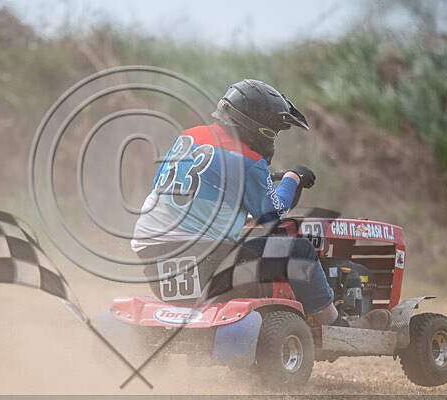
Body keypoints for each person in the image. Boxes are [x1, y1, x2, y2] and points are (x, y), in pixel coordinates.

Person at [131, 79, 390, 330]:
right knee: (299, 251)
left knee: (243, 243)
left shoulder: (187, 137)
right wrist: (293, 177)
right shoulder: (248, 160)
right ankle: (337, 324)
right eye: (274, 133)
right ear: (258, 129)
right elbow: (272, 215)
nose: (273, 139)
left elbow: (171, 186)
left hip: (152, 257)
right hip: (206, 260)